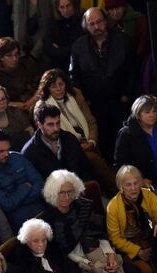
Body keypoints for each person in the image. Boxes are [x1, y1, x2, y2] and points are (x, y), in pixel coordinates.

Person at [40, 170, 143, 273]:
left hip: (99, 251)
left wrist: (109, 255)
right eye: (62, 193)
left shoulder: (83, 205)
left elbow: (99, 232)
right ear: (53, 193)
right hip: (77, 264)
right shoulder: (48, 221)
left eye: (70, 192)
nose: (67, 197)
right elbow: (61, 255)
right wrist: (91, 264)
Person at [36, 68, 116, 195]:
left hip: (88, 140)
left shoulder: (75, 94)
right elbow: (54, 136)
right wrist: (79, 146)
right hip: (68, 147)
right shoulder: (42, 106)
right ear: (47, 89)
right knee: (94, 161)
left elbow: (91, 121)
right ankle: (116, 191)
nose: (59, 89)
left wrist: (92, 141)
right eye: (53, 86)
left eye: (61, 84)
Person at [70, 7, 136, 159]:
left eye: (99, 22)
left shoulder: (123, 40)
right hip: (94, 103)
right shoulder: (79, 46)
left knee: (122, 137)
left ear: (105, 21)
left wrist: (127, 93)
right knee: (103, 139)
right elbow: (74, 75)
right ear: (86, 26)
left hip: (119, 100)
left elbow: (133, 70)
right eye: (91, 23)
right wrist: (83, 99)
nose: (96, 27)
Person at [106, 165, 157, 273]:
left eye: (136, 183)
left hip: (151, 240)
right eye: (128, 185)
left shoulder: (149, 196)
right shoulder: (113, 207)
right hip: (129, 248)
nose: (133, 188)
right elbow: (115, 239)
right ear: (121, 186)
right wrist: (137, 251)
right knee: (146, 272)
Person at [0, 128, 44, 229]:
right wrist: (26, 187)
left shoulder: (17, 157)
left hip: (43, 210)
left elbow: (40, 183)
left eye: (7, 149)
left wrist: (16, 200)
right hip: (23, 225)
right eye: (1, 151)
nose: (6, 154)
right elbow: (6, 205)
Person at [114, 95, 157, 183]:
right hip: (142, 183)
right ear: (138, 114)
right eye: (147, 112)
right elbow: (121, 165)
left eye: (154, 111)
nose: (152, 115)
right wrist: (139, 180)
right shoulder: (126, 134)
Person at [22, 103, 94, 182]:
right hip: (52, 193)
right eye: (50, 125)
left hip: (79, 187)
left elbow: (85, 168)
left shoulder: (70, 139)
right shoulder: (29, 152)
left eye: (58, 123)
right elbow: (35, 183)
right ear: (39, 124)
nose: (56, 129)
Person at [0, 37, 38, 110]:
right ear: (1, 57)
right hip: (9, 107)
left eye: (16, 54)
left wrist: (31, 102)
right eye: (9, 55)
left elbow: (41, 86)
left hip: (34, 101)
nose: (14, 58)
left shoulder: (27, 64)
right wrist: (23, 106)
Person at [43, 0, 84, 72]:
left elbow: (80, 47)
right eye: (62, 7)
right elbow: (48, 48)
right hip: (58, 67)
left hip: (79, 65)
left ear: (74, 5)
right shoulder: (52, 22)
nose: (65, 10)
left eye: (68, 6)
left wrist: (60, 49)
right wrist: (68, 49)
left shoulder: (82, 19)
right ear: (57, 8)